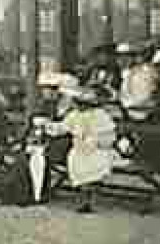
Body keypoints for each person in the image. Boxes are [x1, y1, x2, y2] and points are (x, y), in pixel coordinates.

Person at [46, 80, 118, 213]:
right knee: (75, 161)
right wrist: (49, 126)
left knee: (94, 164)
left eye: (83, 104)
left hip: (98, 149)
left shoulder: (100, 115)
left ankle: (91, 198)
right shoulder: (74, 116)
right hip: (79, 149)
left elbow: (109, 136)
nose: (80, 107)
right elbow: (63, 127)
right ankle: (84, 197)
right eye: (78, 103)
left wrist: (96, 141)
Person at [117, 42, 159, 122]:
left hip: (139, 113)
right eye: (119, 57)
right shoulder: (128, 72)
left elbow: (143, 98)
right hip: (130, 111)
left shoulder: (145, 71)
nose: (121, 60)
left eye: (125, 56)